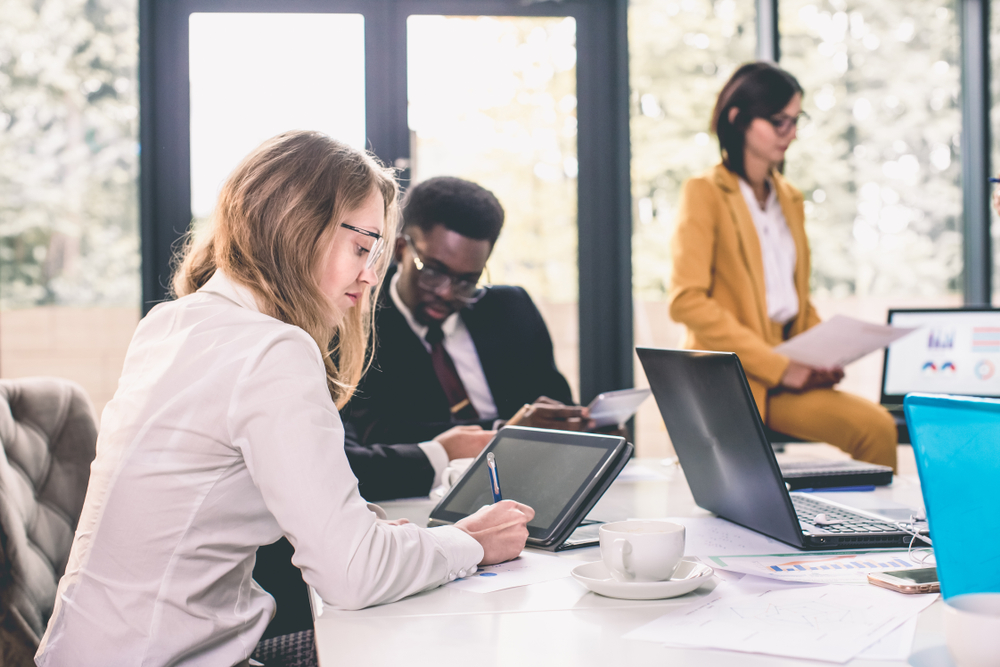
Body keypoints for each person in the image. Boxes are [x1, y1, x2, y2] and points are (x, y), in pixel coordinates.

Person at [35, 131, 534, 666]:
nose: (369, 276)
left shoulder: (172, 322)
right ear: (301, 229)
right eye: (363, 247)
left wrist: (358, 531)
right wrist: (470, 541)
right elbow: (353, 575)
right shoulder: (271, 348)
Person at [669, 62, 897, 469]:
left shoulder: (789, 198)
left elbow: (794, 299)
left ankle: (874, 534)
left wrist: (821, 358)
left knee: (877, 427)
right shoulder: (705, 191)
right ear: (738, 119)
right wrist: (779, 367)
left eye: (795, 121)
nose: (790, 133)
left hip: (787, 369)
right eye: (778, 122)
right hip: (735, 377)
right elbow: (686, 301)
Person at [344, 175, 588, 497]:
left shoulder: (511, 310)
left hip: (528, 490)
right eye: (432, 271)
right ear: (401, 249)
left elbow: (554, 412)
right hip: (416, 499)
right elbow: (376, 436)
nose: (447, 293)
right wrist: (504, 433)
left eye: (467, 281)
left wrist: (587, 428)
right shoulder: (357, 321)